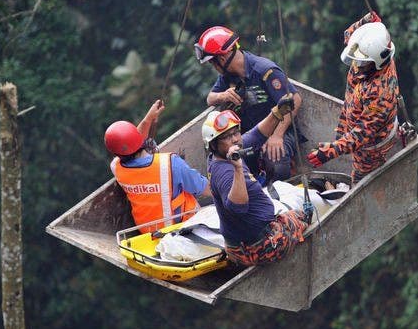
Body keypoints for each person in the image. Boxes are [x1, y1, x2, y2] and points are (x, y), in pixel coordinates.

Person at [202, 94, 309, 266]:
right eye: (227, 137)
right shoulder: (226, 171)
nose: (235, 139)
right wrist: (237, 168)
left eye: (236, 132)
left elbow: (257, 135)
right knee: (304, 216)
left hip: (240, 247)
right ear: (213, 144)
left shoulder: (224, 154)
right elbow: (238, 208)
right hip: (261, 247)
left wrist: (277, 113)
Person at [195, 25, 303, 184]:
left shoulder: (263, 70)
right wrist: (223, 95)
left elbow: (295, 100)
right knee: (231, 160)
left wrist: (277, 135)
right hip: (252, 134)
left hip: (280, 130)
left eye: (213, 63)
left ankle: (286, 193)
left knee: (275, 158)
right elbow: (210, 99)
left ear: (222, 59)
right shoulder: (227, 76)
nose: (214, 67)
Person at [306, 11, 400, 183]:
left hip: (371, 146)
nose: (357, 65)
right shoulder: (367, 48)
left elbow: (362, 134)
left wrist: (331, 151)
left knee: (360, 179)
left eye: (362, 62)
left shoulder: (381, 93)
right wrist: (365, 21)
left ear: (377, 62)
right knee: (342, 141)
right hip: (352, 112)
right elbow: (349, 35)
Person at [105, 100, 211, 233]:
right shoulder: (170, 163)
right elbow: (206, 189)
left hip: (148, 233)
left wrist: (147, 120)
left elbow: (128, 144)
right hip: (183, 228)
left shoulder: (116, 167)